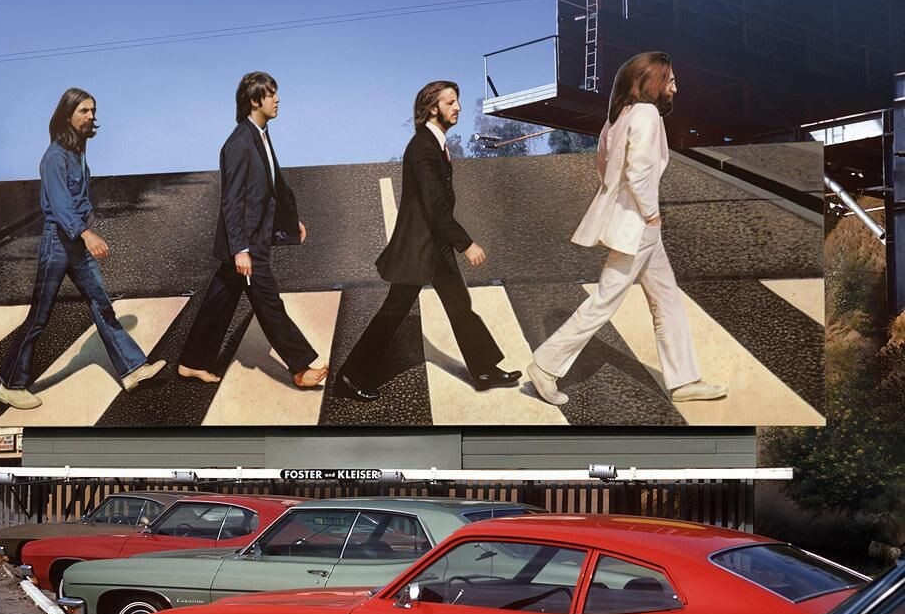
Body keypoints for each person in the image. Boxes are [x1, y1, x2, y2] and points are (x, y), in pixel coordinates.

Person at [526, 52, 727, 406]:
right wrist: (650, 214)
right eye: (670, 81)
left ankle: (683, 381)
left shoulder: (618, 117)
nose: (675, 89)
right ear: (652, 83)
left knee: (667, 300)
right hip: (639, 226)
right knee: (605, 301)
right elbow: (638, 173)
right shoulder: (647, 115)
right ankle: (546, 365)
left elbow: (604, 167)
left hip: (633, 224)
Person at [335, 80, 521, 401]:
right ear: (433, 108)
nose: (458, 107)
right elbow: (434, 206)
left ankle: (484, 368)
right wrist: (466, 243)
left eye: (457, 102)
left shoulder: (433, 144)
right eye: (450, 103)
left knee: (460, 305)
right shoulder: (422, 148)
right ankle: (351, 377)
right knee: (394, 311)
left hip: (434, 246)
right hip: (420, 247)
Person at [0, 88, 165, 409]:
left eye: (92, 111)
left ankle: (131, 369)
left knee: (102, 304)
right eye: (84, 111)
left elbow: (79, 199)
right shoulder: (54, 158)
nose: (91, 116)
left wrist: (86, 227)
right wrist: (87, 234)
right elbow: (61, 207)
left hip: (75, 242)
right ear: (67, 116)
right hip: (57, 243)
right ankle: (9, 383)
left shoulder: (77, 153)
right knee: (40, 317)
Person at [176, 71, 327, 388]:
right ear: (254, 100)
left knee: (221, 298)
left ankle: (192, 362)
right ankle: (300, 367)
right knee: (268, 301)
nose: (277, 99)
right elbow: (231, 202)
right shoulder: (239, 144)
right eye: (271, 94)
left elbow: (270, 187)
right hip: (247, 242)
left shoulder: (260, 134)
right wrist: (240, 249)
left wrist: (289, 222)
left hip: (255, 235)